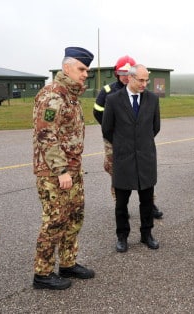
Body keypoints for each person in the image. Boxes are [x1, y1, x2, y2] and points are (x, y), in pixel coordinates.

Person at [32, 47, 95, 290]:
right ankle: (42, 273)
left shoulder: (70, 96)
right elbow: (45, 135)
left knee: (74, 217)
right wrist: (61, 171)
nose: (85, 74)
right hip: (55, 173)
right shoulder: (53, 95)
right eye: (81, 69)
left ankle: (68, 263)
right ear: (66, 67)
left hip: (72, 170)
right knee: (54, 221)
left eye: (87, 70)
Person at [93, 55, 163, 219]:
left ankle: (149, 204)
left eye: (127, 72)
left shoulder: (143, 91)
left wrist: (138, 136)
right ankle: (120, 205)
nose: (125, 76)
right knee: (116, 170)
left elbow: (154, 125)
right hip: (115, 140)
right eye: (121, 73)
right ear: (117, 74)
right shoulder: (109, 91)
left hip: (138, 141)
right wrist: (117, 134)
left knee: (143, 172)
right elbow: (97, 112)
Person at [102, 64, 160, 253]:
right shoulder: (113, 100)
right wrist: (124, 145)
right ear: (130, 78)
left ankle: (146, 234)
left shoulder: (152, 99)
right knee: (121, 203)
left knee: (147, 201)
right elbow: (107, 129)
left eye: (146, 80)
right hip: (123, 159)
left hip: (145, 158)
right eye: (141, 80)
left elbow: (155, 127)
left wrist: (141, 143)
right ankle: (122, 237)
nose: (145, 84)